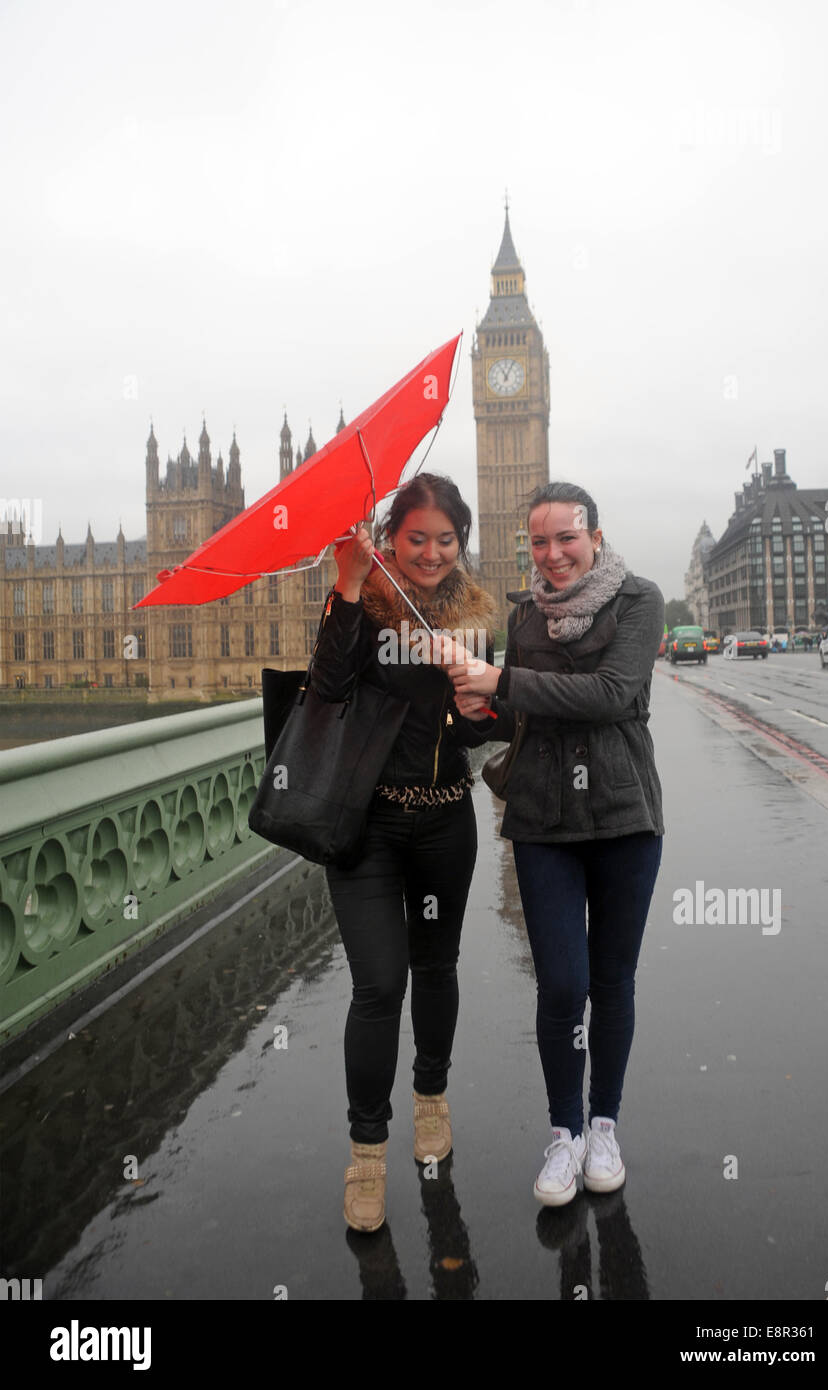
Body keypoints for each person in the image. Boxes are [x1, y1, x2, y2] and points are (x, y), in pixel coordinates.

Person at [450, 481, 665, 1205]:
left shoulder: (638, 600)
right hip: (543, 817)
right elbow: (518, 716)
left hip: (622, 812)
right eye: (537, 542)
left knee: (612, 982)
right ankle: (562, 1134)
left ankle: (603, 1122)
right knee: (562, 986)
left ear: (594, 538)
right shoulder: (523, 615)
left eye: (565, 538)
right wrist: (479, 708)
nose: (552, 554)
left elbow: (611, 694)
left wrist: (502, 678)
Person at [308, 473, 495, 1233]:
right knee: (378, 986)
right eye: (415, 538)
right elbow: (324, 690)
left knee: (437, 967)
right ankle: (365, 1156)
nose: (430, 552)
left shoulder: (473, 617)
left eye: (444, 539)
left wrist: (478, 705)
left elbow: (480, 732)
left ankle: (431, 1099)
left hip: (446, 819)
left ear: (460, 543)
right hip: (367, 830)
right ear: (391, 539)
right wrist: (348, 588)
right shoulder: (361, 607)